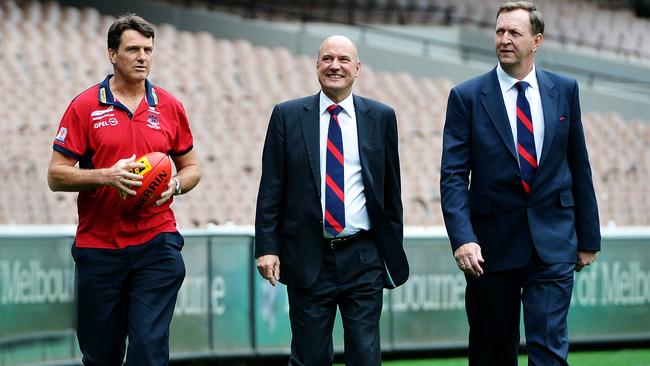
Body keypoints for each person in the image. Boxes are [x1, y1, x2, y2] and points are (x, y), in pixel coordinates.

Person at [440, 2, 601, 365]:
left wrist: (588, 237)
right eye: (500, 32)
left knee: (549, 351)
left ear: (536, 40)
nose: (505, 39)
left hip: (553, 243)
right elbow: (452, 175)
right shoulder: (466, 96)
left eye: (515, 33)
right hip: (491, 249)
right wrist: (463, 237)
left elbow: (579, 163)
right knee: (491, 353)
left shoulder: (565, 90)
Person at [47, 14, 200, 366]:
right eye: (133, 49)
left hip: (157, 245)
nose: (143, 56)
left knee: (147, 350)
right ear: (112, 55)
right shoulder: (84, 106)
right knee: (101, 357)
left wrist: (175, 184)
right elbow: (56, 175)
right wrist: (106, 176)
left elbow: (192, 168)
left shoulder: (169, 106)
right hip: (99, 249)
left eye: (148, 49)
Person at [255, 35, 409, 366]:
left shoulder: (381, 117)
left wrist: (388, 248)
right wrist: (267, 246)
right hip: (308, 256)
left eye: (342, 59)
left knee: (366, 357)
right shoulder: (287, 116)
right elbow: (271, 188)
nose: (334, 66)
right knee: (309, 358)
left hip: (363, 256)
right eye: (327, 59)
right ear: (316, 66)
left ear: (357, 68)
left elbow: (390, 192)